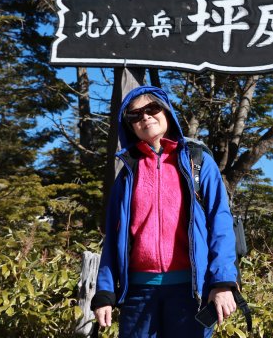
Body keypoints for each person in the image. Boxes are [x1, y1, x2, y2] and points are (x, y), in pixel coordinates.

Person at [91, 86, 238, 337]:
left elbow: (221, 224)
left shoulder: (199, 162)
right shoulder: (127, 173)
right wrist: (105, 292)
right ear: (129, 126)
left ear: (166, 112)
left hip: (191, 292)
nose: (145, 117)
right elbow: (113, 237)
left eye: (151, 109)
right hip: (138, 295)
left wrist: (222, 282)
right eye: (135, 115)